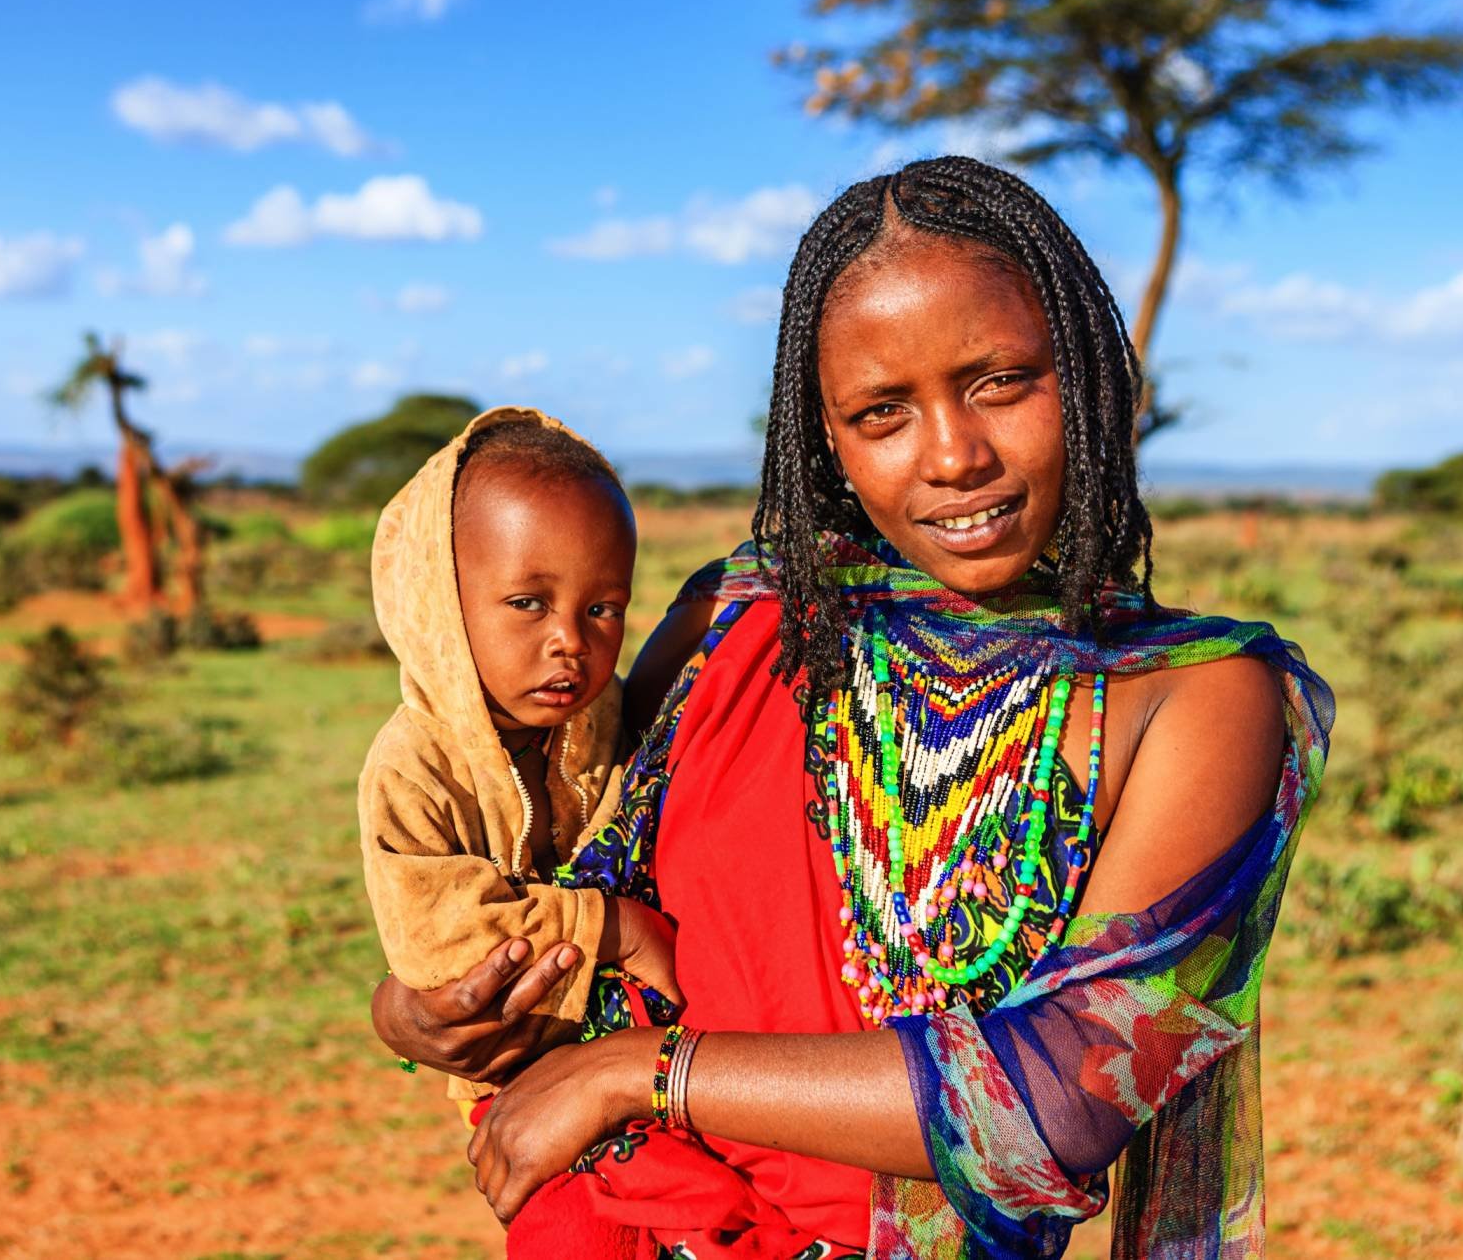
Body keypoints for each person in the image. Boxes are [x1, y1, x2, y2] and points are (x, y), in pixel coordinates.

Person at [370, 159, 1335, 1259]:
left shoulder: (1194, 699)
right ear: (823, 434)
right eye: (881, 411)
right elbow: (561, 889)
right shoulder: (737, 621)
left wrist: (642, 1077)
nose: (952, 455)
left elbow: (1057, 1102)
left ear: (1092, 374)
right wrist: (414, 1015)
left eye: (1001, 380)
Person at [358, 406, 683, 1119]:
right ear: (440, 603)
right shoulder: (413, 767)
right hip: (510, 1082)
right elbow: (437, 941)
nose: (570, 639)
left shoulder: (612, 721)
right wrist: (614, 929)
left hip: (654, 1065)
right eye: (528, 603)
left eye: (603, 608)